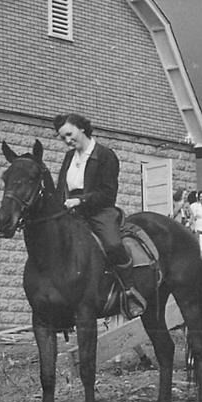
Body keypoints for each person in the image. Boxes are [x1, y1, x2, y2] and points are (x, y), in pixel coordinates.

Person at [53, 113, 145, 317]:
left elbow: (108, 193)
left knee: (113, 244)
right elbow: (61, 187)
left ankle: (129, 291)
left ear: (81, 128)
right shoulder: (69, 157)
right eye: (63, 138)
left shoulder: (105, 155)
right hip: (71, 211)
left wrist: (81, 200)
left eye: (69, 134)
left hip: (99, 211)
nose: (67, 141)